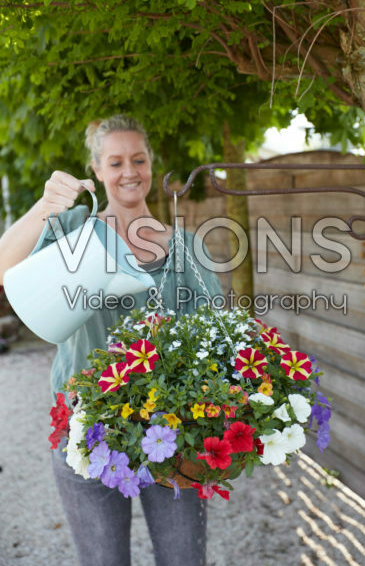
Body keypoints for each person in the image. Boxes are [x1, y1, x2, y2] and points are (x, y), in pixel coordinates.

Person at [0, 114, 223, 566]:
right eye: (115, 162)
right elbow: (5, 265)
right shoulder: (74, 231)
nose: (128, 172)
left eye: (138, 160)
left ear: (151, 165)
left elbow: (216, 335)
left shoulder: (185, 247)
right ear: (97, 170)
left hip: (172, 431)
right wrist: (45, 206)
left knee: (182, 559)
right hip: (87, 429)